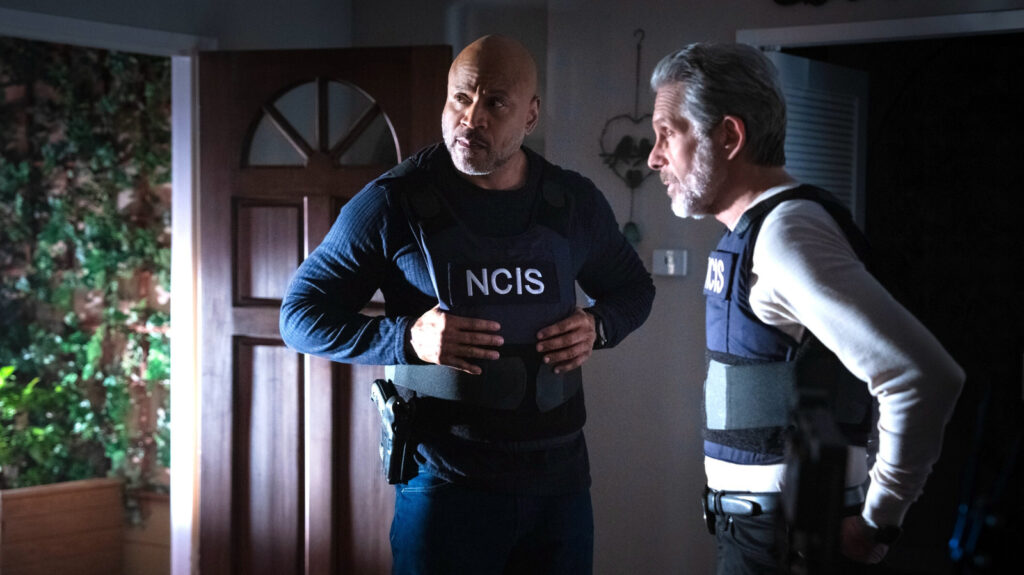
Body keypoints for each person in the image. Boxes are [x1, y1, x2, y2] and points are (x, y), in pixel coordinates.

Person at [280, 34, 654, 575]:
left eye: (495, 103)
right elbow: (298, 316)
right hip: (445, 485)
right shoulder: (392, 203)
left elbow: (634, 289)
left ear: (530, 116)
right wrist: (406, 337)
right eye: (461, 97)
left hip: (560, 483)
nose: (471, 118)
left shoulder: (572, 201)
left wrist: (599, 324)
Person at [646, 43, 965, 574]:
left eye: (666, 133)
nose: (654, 157)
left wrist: (879, 519)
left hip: (789, 541)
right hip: (758, 532)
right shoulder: (756, 230)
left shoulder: (786, 235)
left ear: (729, 136)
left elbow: (923, 376)